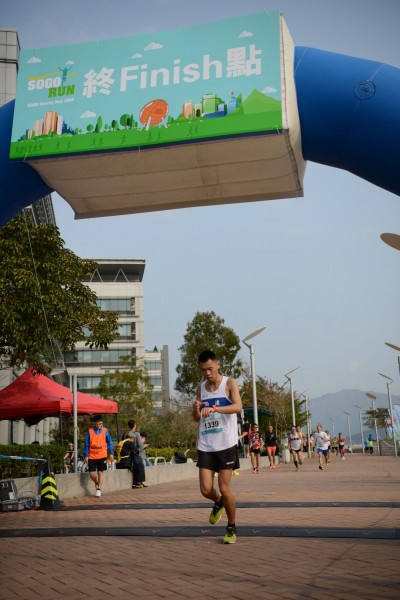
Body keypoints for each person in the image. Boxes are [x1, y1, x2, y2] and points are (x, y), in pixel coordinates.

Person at [192, 349, 242, 545]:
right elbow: (196, 418)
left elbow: (237, 407)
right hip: (206, 444)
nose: (207, 373)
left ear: (218, 365)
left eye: (210, 369)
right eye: (203, 370)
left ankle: (231, 526)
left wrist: (215, 408)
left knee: (224, 487)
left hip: (226, 444)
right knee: (206, 490)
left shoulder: (229, 383)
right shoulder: (201, 388)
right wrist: (196, 410)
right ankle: (218, 502)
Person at [83, 414, 114, 497]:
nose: (99, 425)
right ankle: (96, 483)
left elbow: (109, 443)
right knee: (92, 474)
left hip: (102, 455)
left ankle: (99, 489)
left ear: (102, 423)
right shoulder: (90, 431)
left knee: (100, 472)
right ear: (95, 423)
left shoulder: (105, 431)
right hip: (92, 455)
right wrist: (86, 455)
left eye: (100, 424)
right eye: (97, 424)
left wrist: (111, 453)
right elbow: (86, 444)